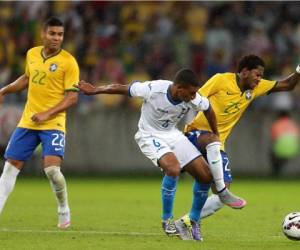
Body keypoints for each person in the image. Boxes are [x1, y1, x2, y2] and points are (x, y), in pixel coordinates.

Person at [75, 68, 245, 241]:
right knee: (173, 168)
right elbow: (123, 88)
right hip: (149, 135)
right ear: (179, 88)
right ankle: (167, 220)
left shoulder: (193, 98)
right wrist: (96, 90)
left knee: (206, 175)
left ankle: (192, 220)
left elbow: (208, 108)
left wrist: (216, 133)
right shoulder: (154, 89)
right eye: (192, 93)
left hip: (173, 135)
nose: (194, 96)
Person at [177, 54, 300, 223]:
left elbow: (288, 84)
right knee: (217, 177)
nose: (259, 79)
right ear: (244, 72)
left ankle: (185, 222)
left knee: (222, 195)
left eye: (261, 76)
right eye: (257, 75)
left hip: (217, 143)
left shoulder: (255, 88)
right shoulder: (221, 80)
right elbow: (195, 97)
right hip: (196, 134)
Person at [0, 17, 79, 229]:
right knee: (9, 168)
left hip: (53, 123)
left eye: (60, 34)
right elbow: (27, 78)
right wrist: (5, 90)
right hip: (28, 121)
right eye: (52, 33)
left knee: (52, 171)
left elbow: (72, 97)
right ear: (43, 34)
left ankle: (63, 209)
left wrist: (47, 113)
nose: (56, 38)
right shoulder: (32, 54)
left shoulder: (69, 62)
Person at [270, 110, 300, 177]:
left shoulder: (277, 124)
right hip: (294, 149)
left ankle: (276, 174)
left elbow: (273, 139)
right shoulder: (293, 124)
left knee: (273, 155)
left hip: (280, 149)